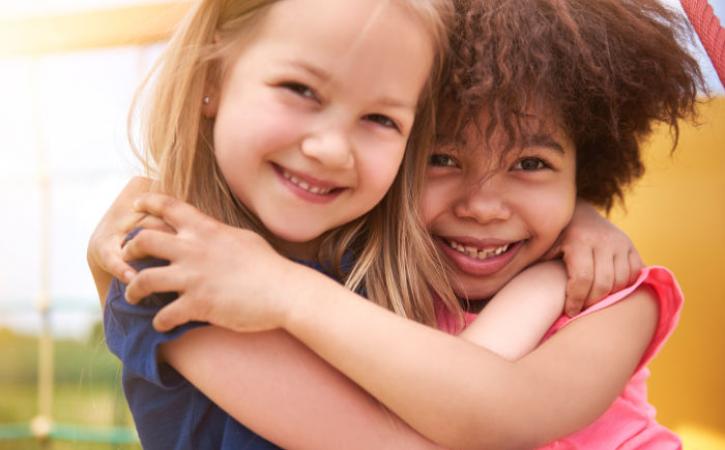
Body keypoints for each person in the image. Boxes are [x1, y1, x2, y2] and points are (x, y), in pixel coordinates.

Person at [89, 0, 702, 449]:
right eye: (442, 158)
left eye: (379, 119)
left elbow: (491, 402)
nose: (484, 205)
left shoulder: (375, 266)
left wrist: (576, 225)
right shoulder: (194, 271)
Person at [95, 0, 462, 448]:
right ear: (212, 78)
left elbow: (497, 389)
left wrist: (567, 231)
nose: (331, 149)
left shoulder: (392, 263)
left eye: (381, 118)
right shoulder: (171, 266)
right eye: (300, 89)